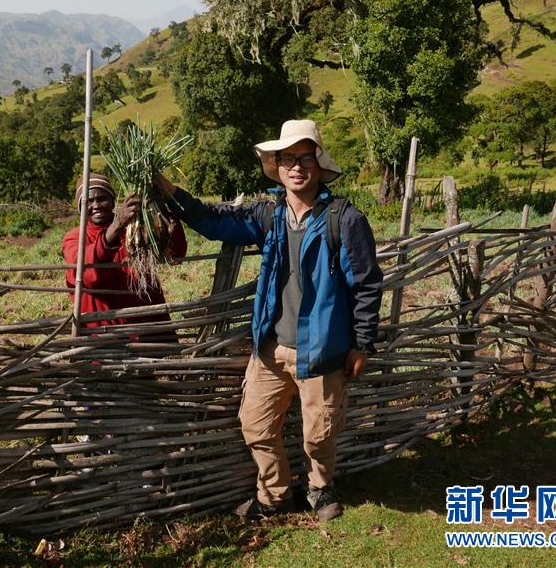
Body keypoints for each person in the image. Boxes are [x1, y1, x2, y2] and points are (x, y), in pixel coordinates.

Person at [154, 119, 383, 522]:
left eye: (305, 158)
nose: (297, 166)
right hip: (271, 348)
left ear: (318, 165)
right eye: (288, 158)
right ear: (277, 166)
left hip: (323, 350)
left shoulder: (344, 220)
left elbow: (366, 285)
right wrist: (171, 193)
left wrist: (362, 344)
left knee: (320, 435)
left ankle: (319, 487)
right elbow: (214, 220)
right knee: (255, 426)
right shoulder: (268, 216)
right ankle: (275, 495)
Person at [62, 173, 187, 334]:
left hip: (148, 325)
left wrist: (161, 211)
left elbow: (176, 254)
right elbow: (85, 274)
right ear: (80, 207)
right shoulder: (75, 237)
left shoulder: (136, 226)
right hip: (106, 333)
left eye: (102, 198)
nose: (96, 205)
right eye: (89, 201)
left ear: (113, 200)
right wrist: (116, 227)